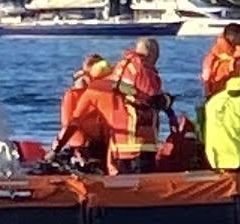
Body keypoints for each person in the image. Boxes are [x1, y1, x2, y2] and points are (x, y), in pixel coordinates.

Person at [107, 36, 171, 174]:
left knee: (125, 184)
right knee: (143, 184)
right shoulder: (142, 69)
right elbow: (152, 99)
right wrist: (167, 100)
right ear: (151, 53)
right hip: (140, 140)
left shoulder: (122, 66)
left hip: (120, 139)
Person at [53, 53, 116, 168]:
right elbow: (69, 124)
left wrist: (55, 149)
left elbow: (68, 124)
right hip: (85, 147)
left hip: (101, 145)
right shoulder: (75, 94)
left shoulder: (94, 92)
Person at [201, 22, 240, 99]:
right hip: (223, 96)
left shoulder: (217, 52)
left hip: (217, 96)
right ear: (233, 36)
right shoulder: (223, 58)